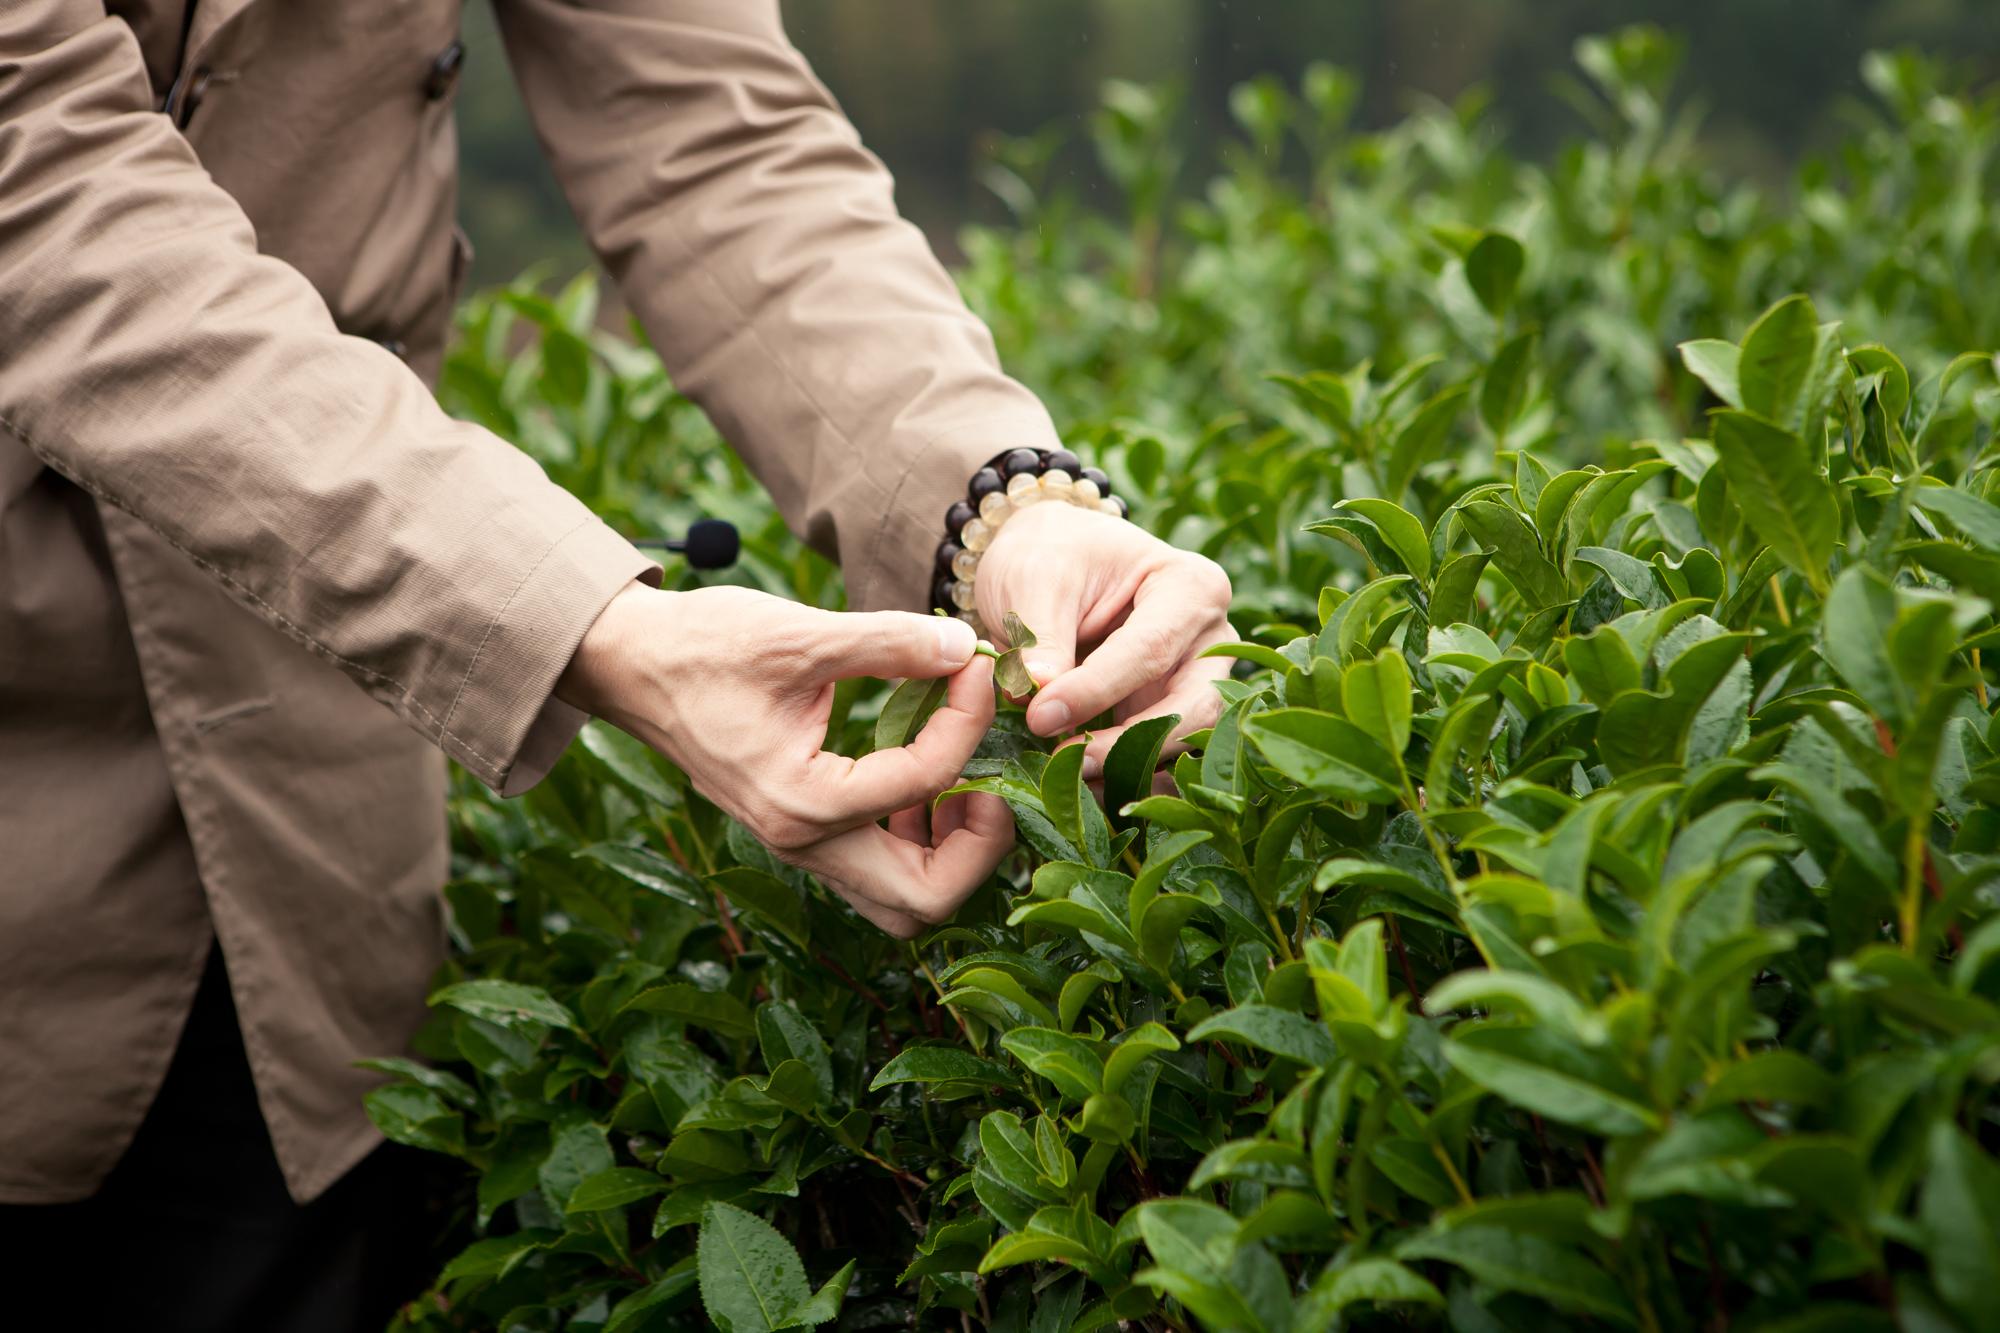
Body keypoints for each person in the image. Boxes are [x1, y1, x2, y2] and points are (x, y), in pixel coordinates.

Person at [0, 0, 1234, 1326]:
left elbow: (707, 127)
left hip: (305, 871)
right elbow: (50, 194)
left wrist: (1001, 502)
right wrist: (588, 621)